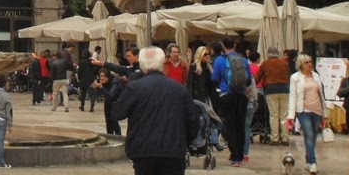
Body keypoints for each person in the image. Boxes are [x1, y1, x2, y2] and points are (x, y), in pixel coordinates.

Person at [112, 45, 199, 175]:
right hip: (173, 150)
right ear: (162, 63)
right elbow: (193, 120)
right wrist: (185, 141)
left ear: (142, 64)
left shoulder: (135, 88)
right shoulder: (179, 89)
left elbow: (117, 113)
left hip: (143, 150)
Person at [286, 53, 327, 175]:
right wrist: (291, 115)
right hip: (303, 110)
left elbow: (321, 95)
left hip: (317, 110)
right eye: (306, 62)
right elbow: (292, 96)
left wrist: (325, 113)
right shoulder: (295, 78)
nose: (310, 64)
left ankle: (309, 158)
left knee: (314, 136)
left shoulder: (316, 76)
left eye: (310, 61)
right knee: (308, 135)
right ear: (300, 65)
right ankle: (312, 162)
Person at [212, 36, 250, 167]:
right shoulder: (243, 60)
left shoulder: (219, 60)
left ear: (223, 46)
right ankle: (241, 155)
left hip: (226, 95)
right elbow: (248, 80)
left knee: (230, 126)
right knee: (241, 126)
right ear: (234, 46)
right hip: (242, 96)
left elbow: (214, 78)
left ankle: (235, 157)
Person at [256, 46, 290, 146]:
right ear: (277, 54)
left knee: (274, 115)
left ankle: (275, 138)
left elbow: (257, 78)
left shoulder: (265, 64)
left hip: (271, 89)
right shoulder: (284, 63)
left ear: (267, 54)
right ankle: (285, 138)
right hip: (285, 89)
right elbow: (289, 75)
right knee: (284, 115)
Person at [94, 67, 121, 135]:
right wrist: (93, 87)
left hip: (116, 103)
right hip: (108, 103)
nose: (102, 78)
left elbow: (110, 96)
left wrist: (101, 87)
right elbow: (91, 89)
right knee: (108, 122)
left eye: (104, 76)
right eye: (101, 76)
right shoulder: (101, 82)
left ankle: (119, 137)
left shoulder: (114, 82)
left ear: (108, 76)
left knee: (114, 122)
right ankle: (110, 136)